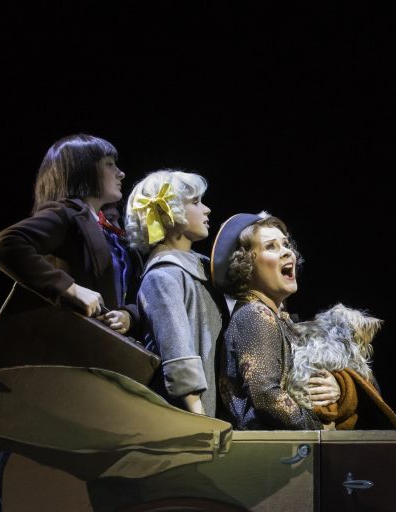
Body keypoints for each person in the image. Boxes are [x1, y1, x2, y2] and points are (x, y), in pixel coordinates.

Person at [0, 134, 141, 335]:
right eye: (109, 164)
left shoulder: (109, 228)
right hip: (67, 341)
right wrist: (70, 289)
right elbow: (3, 245)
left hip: (103, 343)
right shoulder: (66, 214)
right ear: (82, 169)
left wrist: (128, 314)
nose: (121, 173)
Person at [211, 212, 339, 429]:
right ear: (245, 265)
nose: (287, 252)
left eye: (286, 244)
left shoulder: (277, 318)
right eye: (271, 247)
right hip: (268, 445)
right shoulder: (255, 315)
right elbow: (266, 395)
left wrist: (335, 386)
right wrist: (318, 428)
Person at [126, 170, 227, 416]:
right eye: (195, 202)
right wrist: (198, 414)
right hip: (187, 417)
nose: (206, 210)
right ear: (168, 213)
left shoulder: (203, 267)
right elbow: (178, 353)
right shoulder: (163, 276)